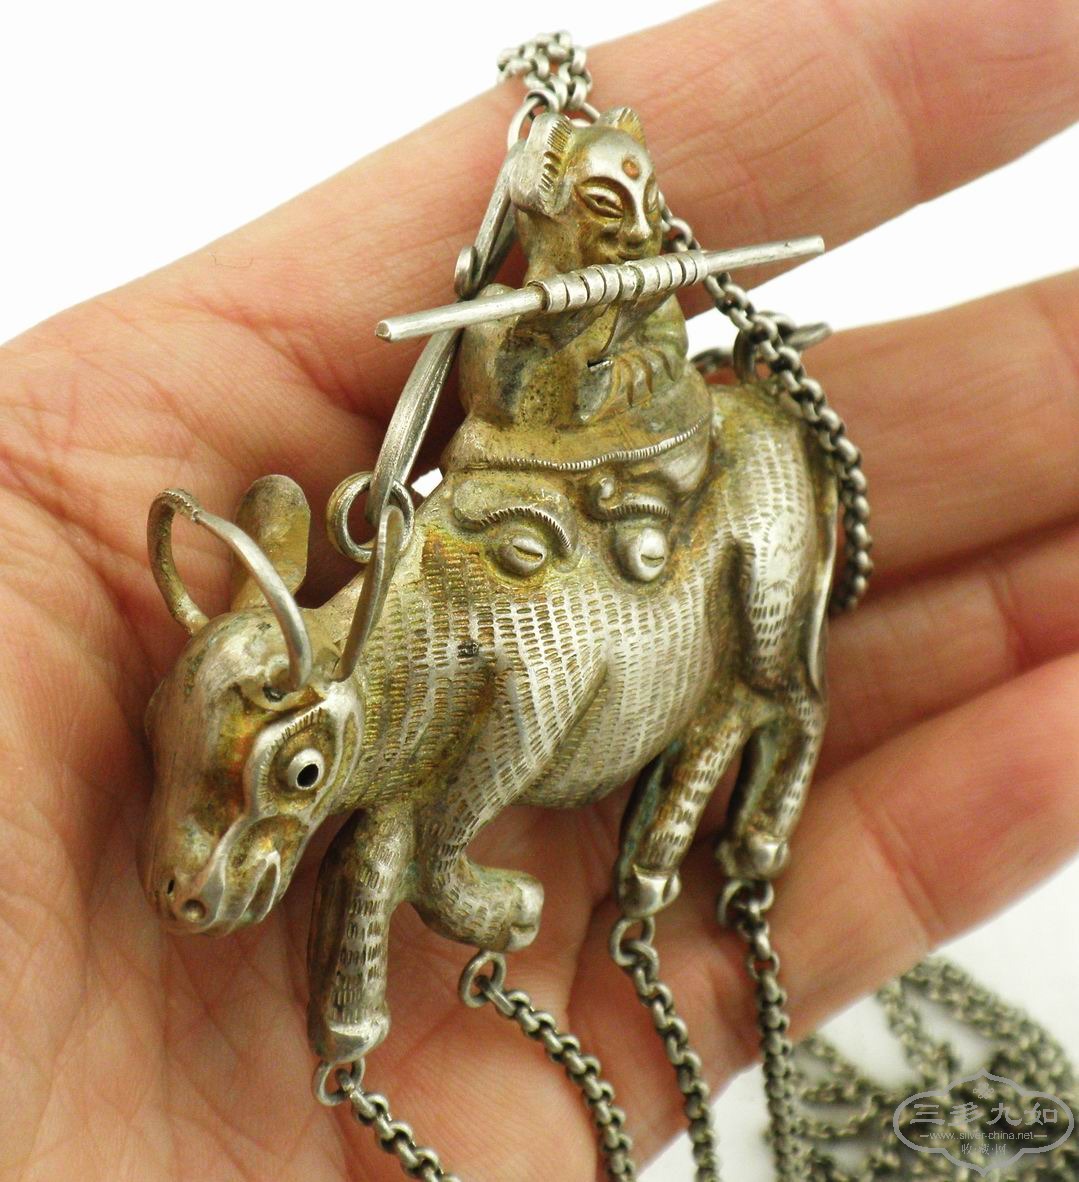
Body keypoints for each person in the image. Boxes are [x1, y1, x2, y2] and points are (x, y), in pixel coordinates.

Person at [2, 3, 1079, 1178]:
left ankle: (743, 727)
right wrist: (547, 350)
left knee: (686, 596)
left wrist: (622, 335)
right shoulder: (504, 332)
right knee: (479, 562)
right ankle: (374, 979)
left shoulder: (647, 306)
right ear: (541, 225)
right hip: (522, 485)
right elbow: (497, 418)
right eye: (595, 216)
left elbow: (656, 397)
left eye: (632, 209)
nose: (624, 232)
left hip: (640, 482)